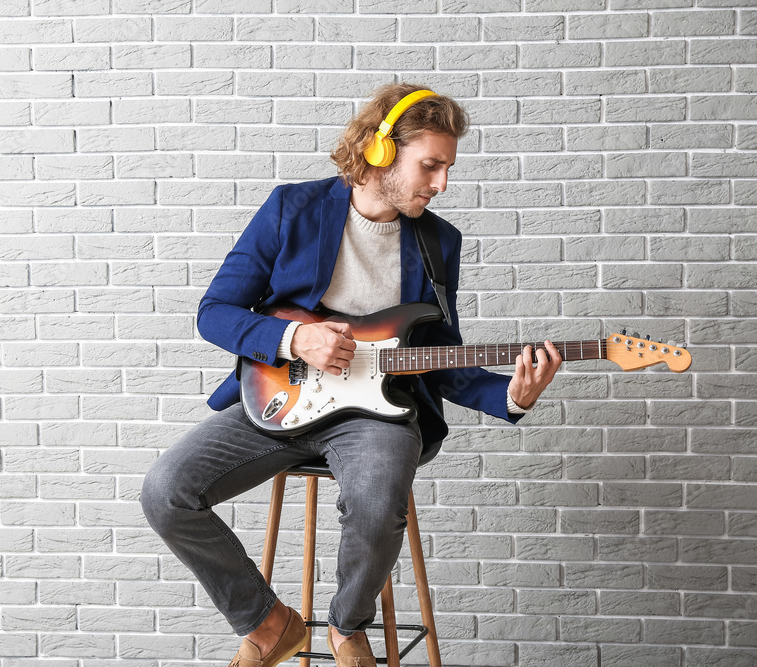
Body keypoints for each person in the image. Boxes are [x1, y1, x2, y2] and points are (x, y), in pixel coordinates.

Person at [140, 83, 562, 667]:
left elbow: (439, 355)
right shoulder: (293, 208)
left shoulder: (439, 242)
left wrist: (510, 395)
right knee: (165, 493)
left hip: (376, 415)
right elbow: (215, 313)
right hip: (279, 396)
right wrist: (295, 337)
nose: (441, 184)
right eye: (431, 165)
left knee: (376, 496)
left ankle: (348, 626)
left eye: (447, 168)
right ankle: (268, 621)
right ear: (382, 151)